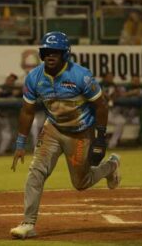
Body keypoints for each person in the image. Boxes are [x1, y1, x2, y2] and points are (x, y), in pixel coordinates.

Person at [9, 31, 121, 239]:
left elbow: (101, 106)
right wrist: (20, 142)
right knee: (36, 172)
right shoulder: (34, 77)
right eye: (46, 52)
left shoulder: (81, 76)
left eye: (55, 52)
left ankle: (111, 166)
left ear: (65, 54)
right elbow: (27, 111)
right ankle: (28, 223)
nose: (50, 56)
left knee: (81, 183)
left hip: (80, 133)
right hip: (52, 129)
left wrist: (100, 137)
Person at [0, 73, 22, 155]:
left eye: (13, 80)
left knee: (8, 136)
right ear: (6, 79)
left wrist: (21, 92)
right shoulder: (1, 87)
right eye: (10, 79)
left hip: (4, 116)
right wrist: (12, 93)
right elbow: (0, 94)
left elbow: (22, 95)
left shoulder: (13, 90)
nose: (11, 81)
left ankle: (1, 153)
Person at [100, 72, 126, 148]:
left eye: (112, 77)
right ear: (104, 78)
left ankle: (112, 143)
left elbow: (118, 96)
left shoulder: (114, 86)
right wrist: (106, 95)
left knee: (121, 121)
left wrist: (115, 94)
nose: (111, 78)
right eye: (109, 77)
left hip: (111, 111)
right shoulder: (98, 85)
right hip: (99, 112)